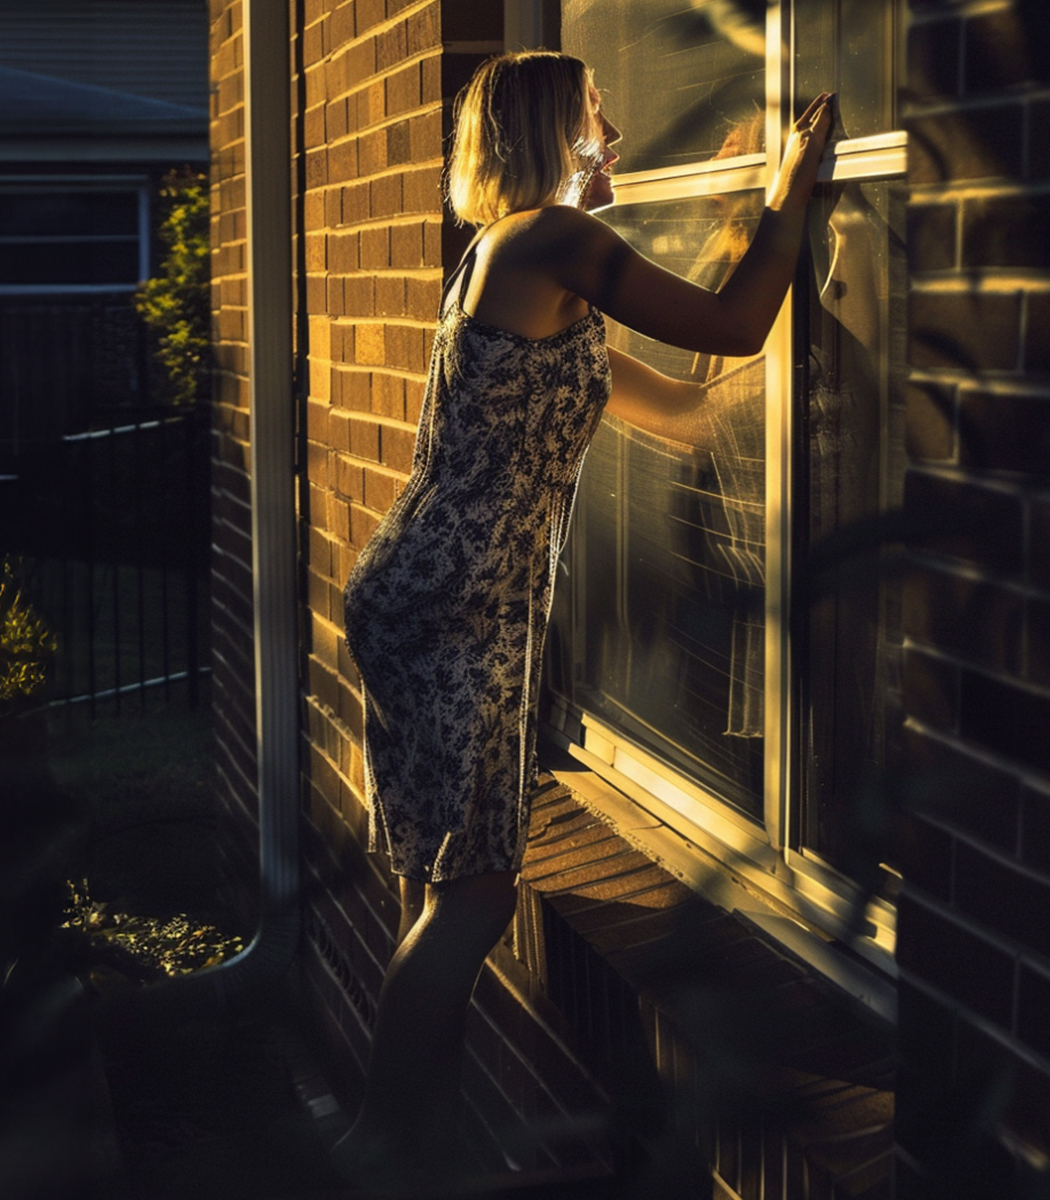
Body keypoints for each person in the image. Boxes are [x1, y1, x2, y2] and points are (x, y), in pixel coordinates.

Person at [331, 49, 837, 1180]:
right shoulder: (555, 240)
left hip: (426, 595)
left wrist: (726, 234)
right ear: (555, 136)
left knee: (437, 885)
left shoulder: (508, 264)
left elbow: (695, 413)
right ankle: (373, 1153)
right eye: (594, 123)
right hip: (459, 609)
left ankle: (413, 1150)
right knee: (474, 893)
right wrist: (788, 192)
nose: (609, 142)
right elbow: (738, 327)